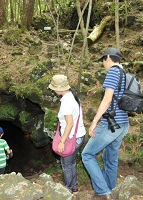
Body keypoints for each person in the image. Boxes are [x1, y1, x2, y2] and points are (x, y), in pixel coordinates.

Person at [82, 47, 129, 199]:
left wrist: (95, 121)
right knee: (110, 157)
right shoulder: (125, 73)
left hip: (110, 124)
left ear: (108, 58)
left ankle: (103, 192)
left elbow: (107, 99)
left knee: (87, 154)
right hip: (123, 124)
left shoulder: (113, 72)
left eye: (103, 60)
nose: (103, 64)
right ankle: (110, 189)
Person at [48, 74, 86, 193]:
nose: (53, 90)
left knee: (66, 165)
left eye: (53, 88)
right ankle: (73, 186)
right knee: (71, 162)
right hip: (79, 135)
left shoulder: (66, 102)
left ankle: (68, 189)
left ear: (59, 89)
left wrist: (62, 142)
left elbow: (69, 124)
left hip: (71, 138)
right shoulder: (73, 97)